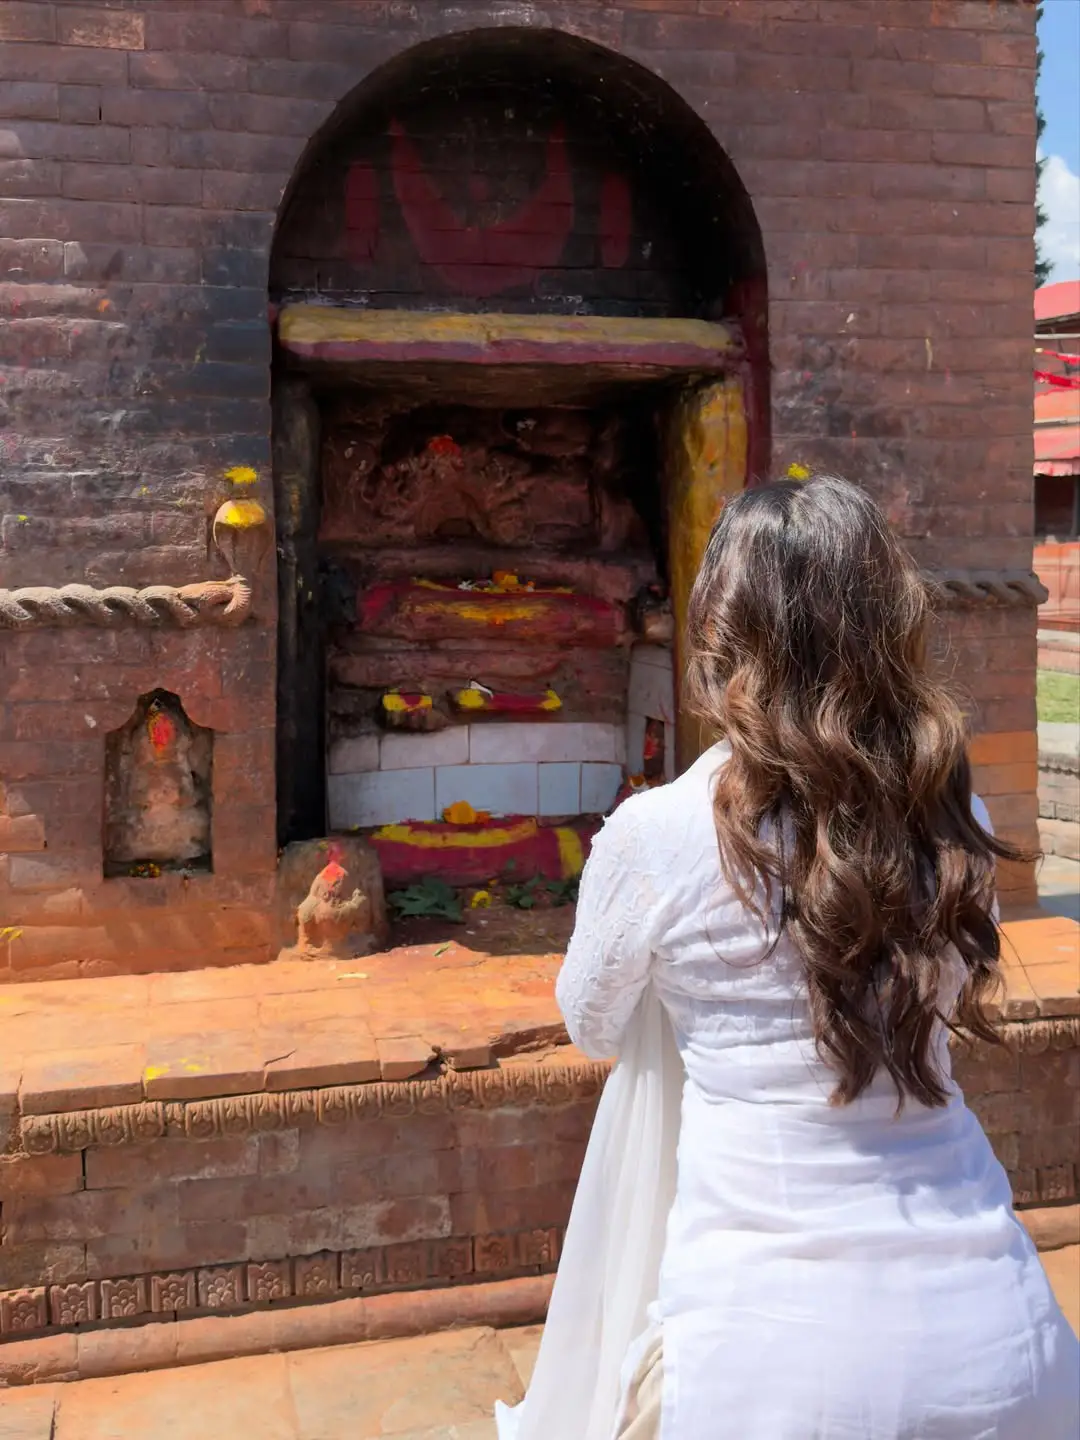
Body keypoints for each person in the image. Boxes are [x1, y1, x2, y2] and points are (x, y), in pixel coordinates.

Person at [497, 476, 1080, 1440]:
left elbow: (592, 1023)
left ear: (721, 640)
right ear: (890, 630)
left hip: (758, 1371)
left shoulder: (657, 833)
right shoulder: (953, 815)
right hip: (1009, 1357)